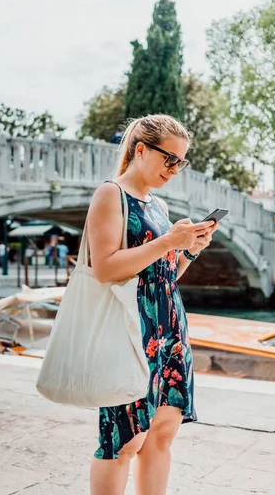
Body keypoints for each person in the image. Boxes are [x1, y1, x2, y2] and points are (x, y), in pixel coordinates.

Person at [87, 114, 218, 495]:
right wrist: (166, 242)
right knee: (123, 441)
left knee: (161, 436)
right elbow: (105, 269)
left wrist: (189, 251)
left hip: (169, 330)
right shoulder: (110, 194)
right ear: (140, 149)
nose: (175, 169)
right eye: (170, 159)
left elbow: (161, 275)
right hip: (129, 333)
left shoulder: (157, 205)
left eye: (181, 162)